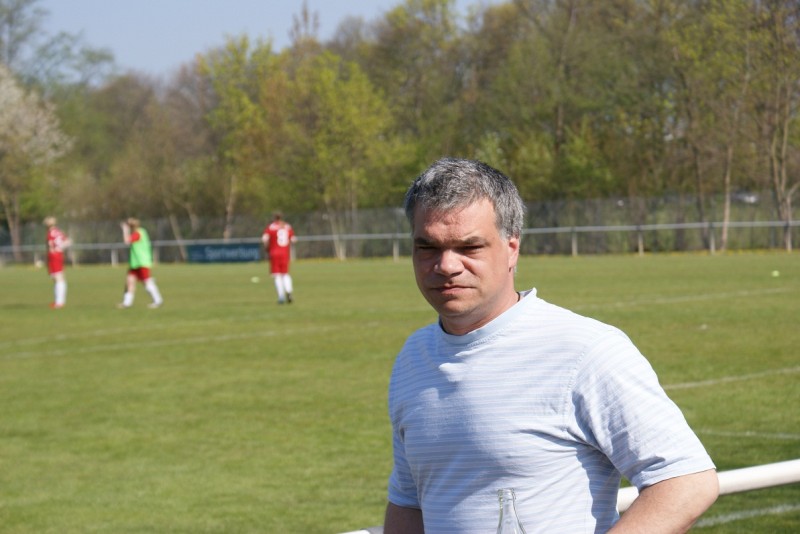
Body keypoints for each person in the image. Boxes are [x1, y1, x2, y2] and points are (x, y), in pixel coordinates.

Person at [384, 158, 718, 533]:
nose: (446, 266)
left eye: (469, 246)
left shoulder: (584, 350)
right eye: (427, 247)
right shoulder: (414, 357)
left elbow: (686, 480)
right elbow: (409, 500)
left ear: (512, 248)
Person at [119, 218, 163, 309]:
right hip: (135, 262)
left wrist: (125, 230)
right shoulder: (139, 232)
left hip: (142, 262)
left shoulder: (139, 233)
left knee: (147, 282)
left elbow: (127, 241)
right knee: (129, 281)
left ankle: (158, 300)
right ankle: (127, 303)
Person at [261, 211, 297, 304]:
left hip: (274, 253)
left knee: (277, 276)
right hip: (285, 253)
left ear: (274, 218)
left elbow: (264, 238)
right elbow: (294, 240)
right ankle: (289, 291)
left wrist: (267, 248)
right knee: (285, 274)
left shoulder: (271, 227)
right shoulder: (287, 226)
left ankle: (281, 297)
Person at [44, 216, 71, 309]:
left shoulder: (50, 233)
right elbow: (68, 241)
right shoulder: (59, 231)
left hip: (54, 255)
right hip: (59, 254)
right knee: (58, 277)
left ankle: (59, 302)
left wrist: (55, 250)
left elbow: (50, 246)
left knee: (58, 278)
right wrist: (61, 248)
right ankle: (58, 301)